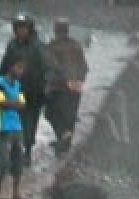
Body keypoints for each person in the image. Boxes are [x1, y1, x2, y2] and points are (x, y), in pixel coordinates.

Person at [0, 13, 48, 167]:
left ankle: (28, 152)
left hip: (33, 91)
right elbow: (4, 65)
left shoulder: (38, 46)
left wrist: (45, 88)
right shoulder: (12, 45)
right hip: (14, 90)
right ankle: (15, 151)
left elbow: (46, 67)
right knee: (14, 121)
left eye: (24, 28)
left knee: (30, 123)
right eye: (18, 28)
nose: (21, 31)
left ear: (29, 29)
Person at [44, 18, 89, 155]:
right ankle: (65, 142)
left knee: (51, 113)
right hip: (76, 86)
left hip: (58, 87)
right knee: (69, 115)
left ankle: (62, 138)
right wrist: (79, 81)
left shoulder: (52, 46)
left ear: (55, 30)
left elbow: (53, 67)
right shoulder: (76, 45)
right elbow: (84, 66)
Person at [0, 59, 27, 199]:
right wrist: (14, 104)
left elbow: (22, 104)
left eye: (22, 68)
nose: (21, 71)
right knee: (2, 158)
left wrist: (12, 103)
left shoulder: (18, 84)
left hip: (16, 126)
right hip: (2, 127)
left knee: (18, 158)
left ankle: (16, 191)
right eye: (19, 67)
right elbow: (0, 102)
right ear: (11, 67)